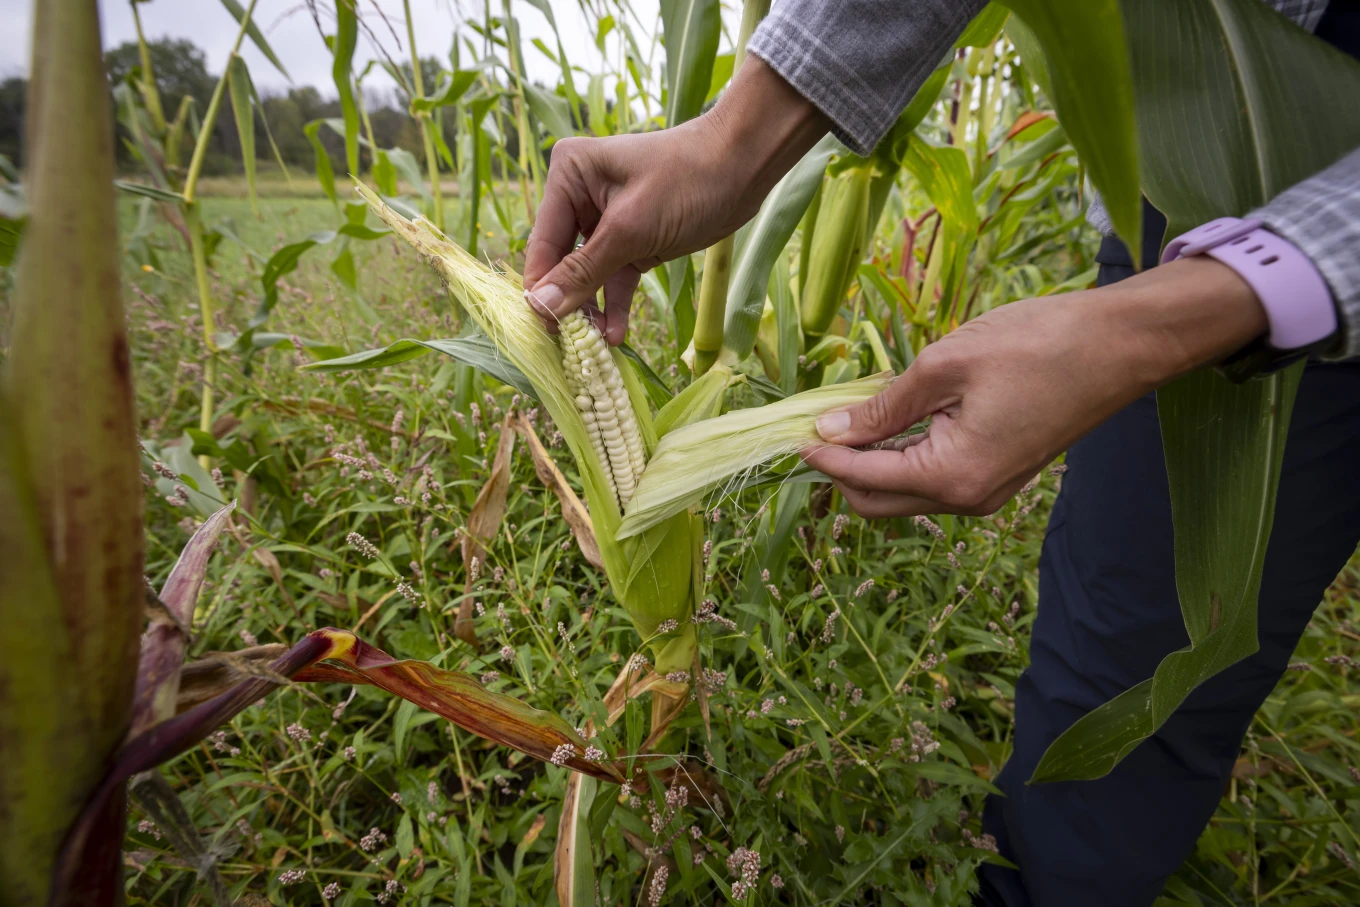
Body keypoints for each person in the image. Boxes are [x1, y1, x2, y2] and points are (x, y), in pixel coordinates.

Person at [522, 1, 1360, 904]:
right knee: (1126, 664)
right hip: (1200, 155)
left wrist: (1179, 317)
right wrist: (733, 138)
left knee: (1190, 663)